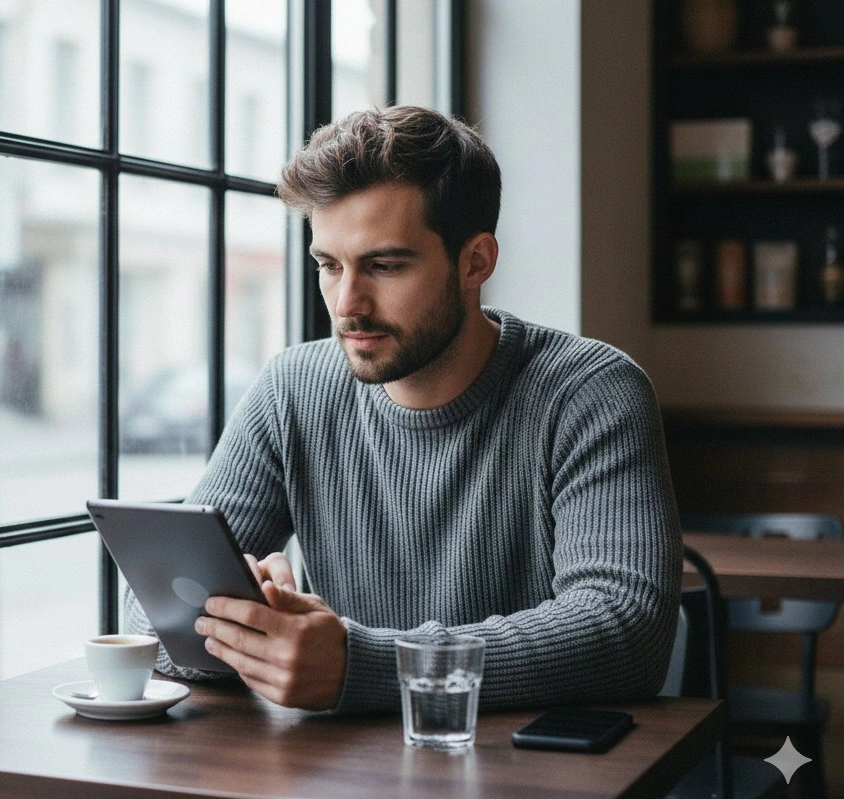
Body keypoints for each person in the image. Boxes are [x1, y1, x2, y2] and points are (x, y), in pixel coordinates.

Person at [124, 105, 681, 714]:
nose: (347, 304)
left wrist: (361, 666)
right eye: (328, 266)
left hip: (529, 783)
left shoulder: (590, 391)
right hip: (342, 779)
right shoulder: (293, 390)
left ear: (476, 261)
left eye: (384, 266)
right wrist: (254, 621)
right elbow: (154, 619)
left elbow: (627, 632)